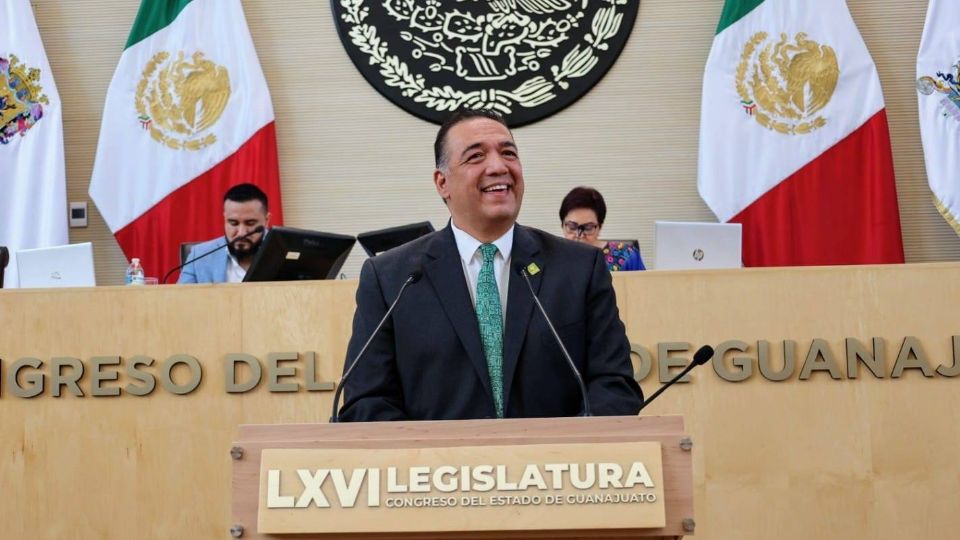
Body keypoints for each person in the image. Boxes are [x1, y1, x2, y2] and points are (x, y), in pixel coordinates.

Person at [339, 109, 643, 421]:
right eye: (476, 156)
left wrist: (564, 445)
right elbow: (367, 401)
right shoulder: (392, 278)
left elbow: (614, 385)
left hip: (557, 452)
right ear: (442, 183)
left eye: (508, 153)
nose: (499, 167)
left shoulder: (579, 268)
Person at [177, 183, 271, 284]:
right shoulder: (199, 256)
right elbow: (181, 294)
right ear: (225, 219)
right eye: (233, 223)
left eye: (250, 223)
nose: (241, 233)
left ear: (266, 220)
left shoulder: (282, 253)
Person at [559, 186, 645, 271]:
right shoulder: (553, 257)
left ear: (600, 227)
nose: (579, 235)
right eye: (572, 227)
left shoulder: (626, 256)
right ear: (562, 225)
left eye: (588, 228)